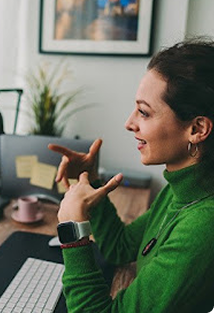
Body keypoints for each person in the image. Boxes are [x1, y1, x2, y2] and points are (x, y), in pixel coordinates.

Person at [48, 38, 214, 312]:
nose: (129, 123)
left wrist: (72, 232)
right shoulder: (180, 190)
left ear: (197, 129)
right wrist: (91, 179)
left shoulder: (203, 228)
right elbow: (119, 247)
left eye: (144, 112)